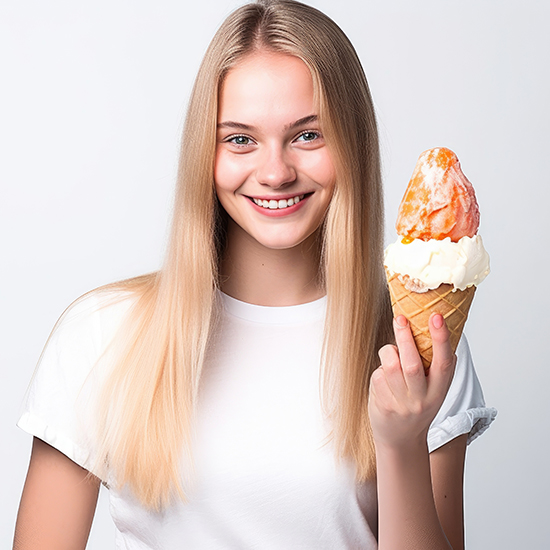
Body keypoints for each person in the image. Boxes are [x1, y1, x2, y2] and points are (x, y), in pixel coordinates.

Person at [13, 1, 496, 549]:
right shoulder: (104, 334)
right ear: (206, 152)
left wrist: (402, 444)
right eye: (240, 139)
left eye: (308, 135)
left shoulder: (417, 346)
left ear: (352, 144)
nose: (275, 172)